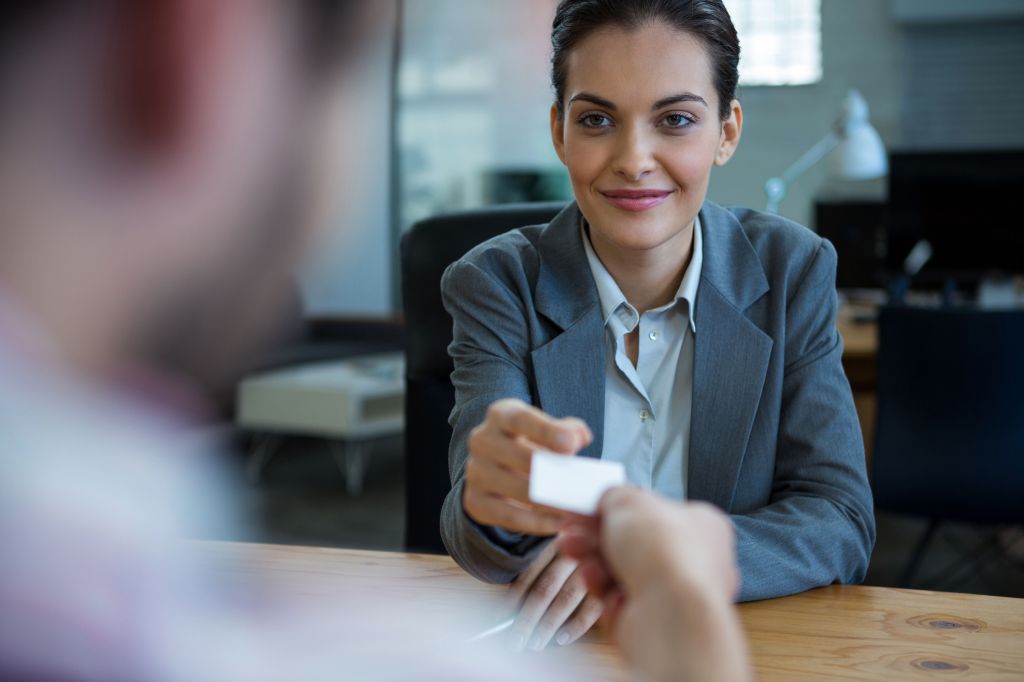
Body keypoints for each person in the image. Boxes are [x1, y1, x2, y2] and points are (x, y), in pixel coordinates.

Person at [440, 0, 876, 651]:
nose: (634, 159)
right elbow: (478, 537)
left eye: (675, 120)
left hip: (742, 643)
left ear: (726, 132)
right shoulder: (495, 284)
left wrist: (672, 561)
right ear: (559, 131)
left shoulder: (793, 271)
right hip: (560, 651)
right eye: (596, 120)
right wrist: (493, 497)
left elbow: (839, 518)